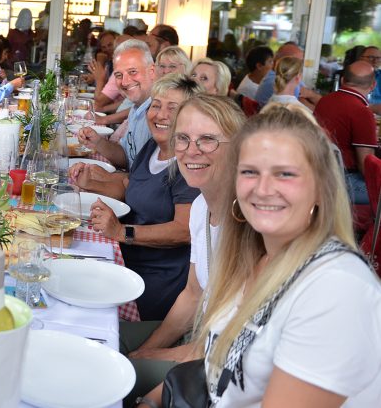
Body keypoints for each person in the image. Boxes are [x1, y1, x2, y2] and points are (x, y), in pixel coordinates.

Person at [139, 106, 381, 407]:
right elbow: (214, 370)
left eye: (285, 174)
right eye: (250, 171)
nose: (264, 189)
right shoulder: (252, 255)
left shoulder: (336, 287)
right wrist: (148, 402)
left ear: (321, 189)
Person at [123, 95, 246, 404]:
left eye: (208, 140)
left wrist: (158, 357)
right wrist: (149, 347)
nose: (192, 151)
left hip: (216, 364)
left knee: (102, 369)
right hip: (197, 338)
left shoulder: (248, 223)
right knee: (96, 337)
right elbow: (193, 294)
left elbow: (233, 346)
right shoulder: (203, 205)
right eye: (183, 139)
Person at [80, 74, 203, 320]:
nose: (160, 114)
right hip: (125, 259)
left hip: (152, 280)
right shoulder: (153, 147)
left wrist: (122, 232)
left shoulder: (188, 165)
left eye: (172, 108)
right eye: (156, 105)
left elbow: (184, 230)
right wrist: (90, 183)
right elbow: (131, 189)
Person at [77, 39, 157, 170]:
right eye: (119, 75)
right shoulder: (137, 107)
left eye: (132, 72)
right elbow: (126, 157)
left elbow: (146, 179)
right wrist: (98, 142)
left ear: (152, 71)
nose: (125, 82)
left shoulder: (158, 114)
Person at [314, 61, 378, 205]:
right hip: (343, 181)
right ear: (373, 85)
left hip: (320, 173)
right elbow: (366, 166)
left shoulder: (325, 100)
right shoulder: (361, 112)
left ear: (343, 80)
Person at [254, 42, 320, 109]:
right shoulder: (284, 82)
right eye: (298, 62)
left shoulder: (275, 77)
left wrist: (310, 94)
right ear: (286, 62)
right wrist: (310, 94)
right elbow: (314, 111)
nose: (301, 66)